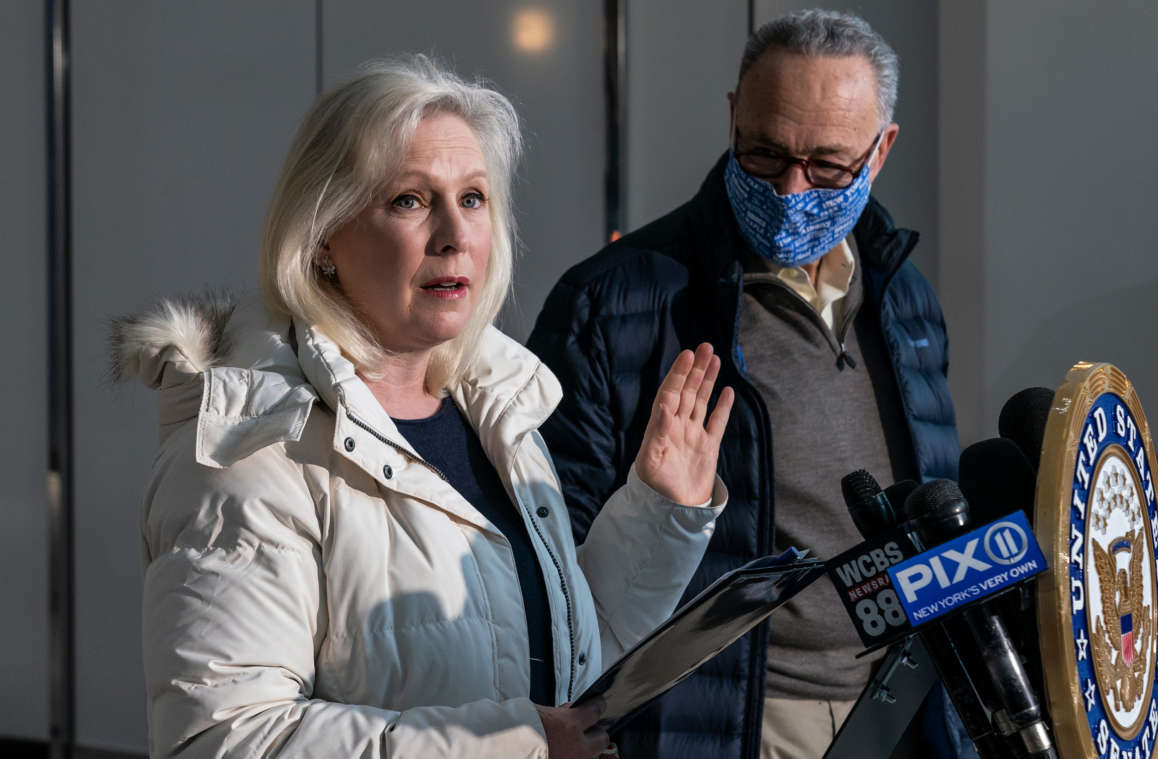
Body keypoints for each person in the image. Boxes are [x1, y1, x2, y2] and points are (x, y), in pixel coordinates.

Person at [115, 56, 735, 759]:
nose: (454, 234)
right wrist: (512, 747)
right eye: (410, 200)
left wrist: (659, 513)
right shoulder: (252, 449)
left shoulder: (494, 412)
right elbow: (223, 739)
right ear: (323, 238)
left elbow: (563, 674)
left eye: (473, 198)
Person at [527, 10, 960, 759]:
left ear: (881, 149)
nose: (792, 189)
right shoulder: (616, 302)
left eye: (827, 165)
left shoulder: (906, 295)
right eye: (763, 154)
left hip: (905, 705)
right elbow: (549, 560)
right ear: (733, 115)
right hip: (735, 722)